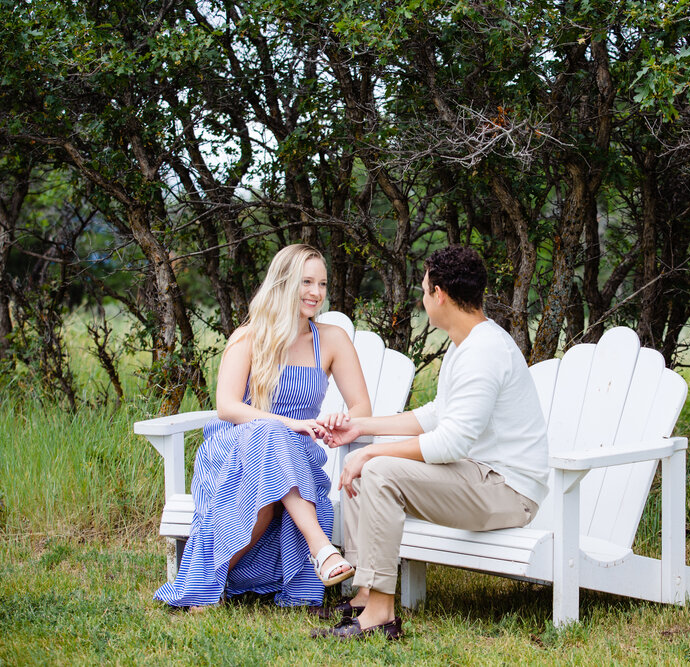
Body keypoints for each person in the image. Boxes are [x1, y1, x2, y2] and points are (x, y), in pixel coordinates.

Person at [311, 245, 549, 641]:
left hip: (508, 491)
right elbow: (437, 416)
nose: (423, 299)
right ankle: (364, 596)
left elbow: (451, 442)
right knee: (364, 457)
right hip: (479, 477)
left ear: (439, 294)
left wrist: (373, 451)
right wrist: (360, 429)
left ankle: (381, 615)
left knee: (379, 470)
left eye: (424, 290)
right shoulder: (467, 344)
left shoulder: (484, 350)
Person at [154, 244, 370, 611]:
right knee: (269, 433)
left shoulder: (332, 340)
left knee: (270, 478)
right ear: (283, 283)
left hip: (298, 456)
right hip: (236, 448)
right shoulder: (248, 337)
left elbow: (362, 407)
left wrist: (339, 420)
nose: (316, 293)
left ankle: (208, 586)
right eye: (306, 282)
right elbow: (227, 407)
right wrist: (293, 424)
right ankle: (321, 548)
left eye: (322, 283)